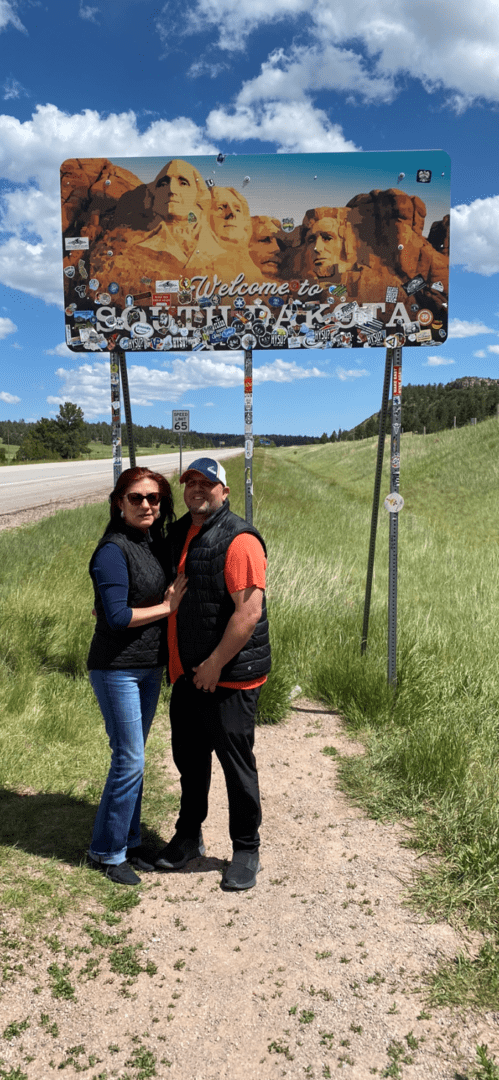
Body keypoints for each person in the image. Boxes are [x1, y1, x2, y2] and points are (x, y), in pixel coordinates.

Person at [155, 458, 271, 891]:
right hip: (188, 675)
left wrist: (216, 664)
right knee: (189, 761)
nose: (197, 490)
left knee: (235, 765)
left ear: (224, 490)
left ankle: (246, 848)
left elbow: (249, 612)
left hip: (230, 677)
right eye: (191, 483)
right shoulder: (181, 533)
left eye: (207, 484)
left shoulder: (239, 539)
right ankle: (188, 838)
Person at [87, 466, 187, 886]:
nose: (146, 504)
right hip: (117, 669)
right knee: (129, 758)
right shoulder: (113, 549)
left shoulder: (150, 541)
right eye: (136, 498)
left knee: (135, 758)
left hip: (148, 666)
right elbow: (115, 616)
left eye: (154, 498)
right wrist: (167, 608)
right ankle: (106, 852)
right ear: (118, 503)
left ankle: (128, 841)